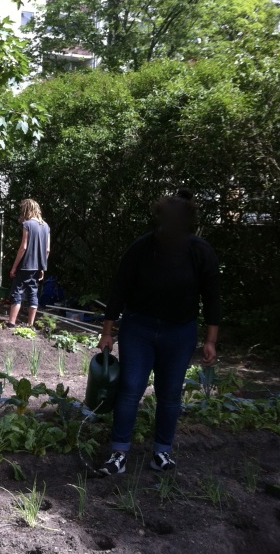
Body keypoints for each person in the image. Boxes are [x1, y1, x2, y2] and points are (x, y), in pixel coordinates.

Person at [97, 190, 220, 475]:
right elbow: (119, 289)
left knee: (170, 394)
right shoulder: (141, 248)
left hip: (179, 334)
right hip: (138, 328)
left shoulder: (200, 252)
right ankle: (118, 454)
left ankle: (161, 454)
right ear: (160, 218)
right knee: (129, 390)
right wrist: (107, 332)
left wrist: (210, 340)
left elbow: (212, 297)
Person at [8, 199, 50, 327]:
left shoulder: (27, 224)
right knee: (33, 293)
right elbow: (47, 250)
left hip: (25, 265)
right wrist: (43, 267)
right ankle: (30, 324)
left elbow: (23, 247)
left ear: (27, 210)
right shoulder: (46, 226)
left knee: (17, 292)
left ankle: (11, 323)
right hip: (37, 267)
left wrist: (14, 267)